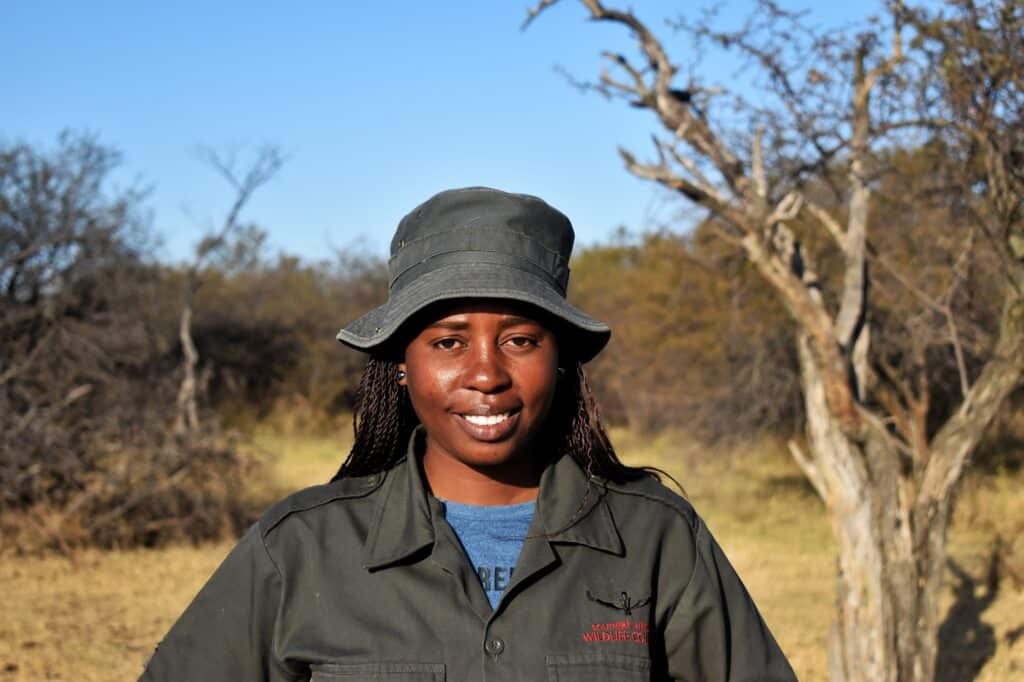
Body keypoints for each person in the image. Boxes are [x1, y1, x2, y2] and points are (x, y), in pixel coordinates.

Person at [141, 187, 796, 681]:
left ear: (561, 360)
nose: (486, 375)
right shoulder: (301, 547)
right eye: (449, 342)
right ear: (401, 363)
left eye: (520, 340)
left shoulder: (657, 537)